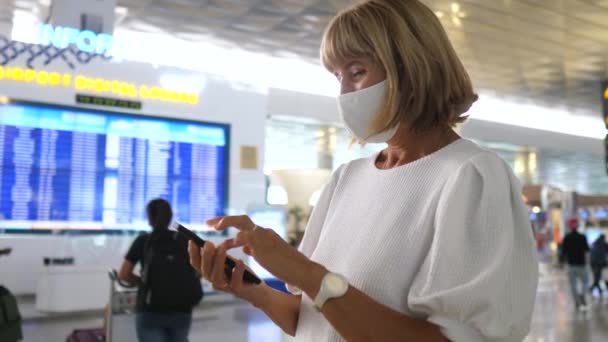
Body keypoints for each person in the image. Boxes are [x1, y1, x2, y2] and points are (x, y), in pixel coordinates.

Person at [189, 1, 539, 341]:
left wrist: (308, 274)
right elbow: (319, 319)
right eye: (337, 77)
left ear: (411, 68)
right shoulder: (346, 179)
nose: (344, 93)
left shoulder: (470, 176)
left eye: (357, 72)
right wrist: (254, 290)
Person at [119, 198, 203, 342]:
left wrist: (142, 282)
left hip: (150, 311)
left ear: (149, 218)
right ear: (170, 217)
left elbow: (124, 274)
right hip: (182, 310)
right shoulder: (185, 241)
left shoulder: (143, 241)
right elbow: (201, 271)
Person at [559, 217, 590, 310]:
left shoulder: (566, 238)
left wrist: (561, 263)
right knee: (585, 281)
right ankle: (582, 295)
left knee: (573, 284)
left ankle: (577, 301)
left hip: (571, 265)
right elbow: (587, 249)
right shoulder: (582, 237)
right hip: (581, 264)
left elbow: (563, 252)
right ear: (578, 226)